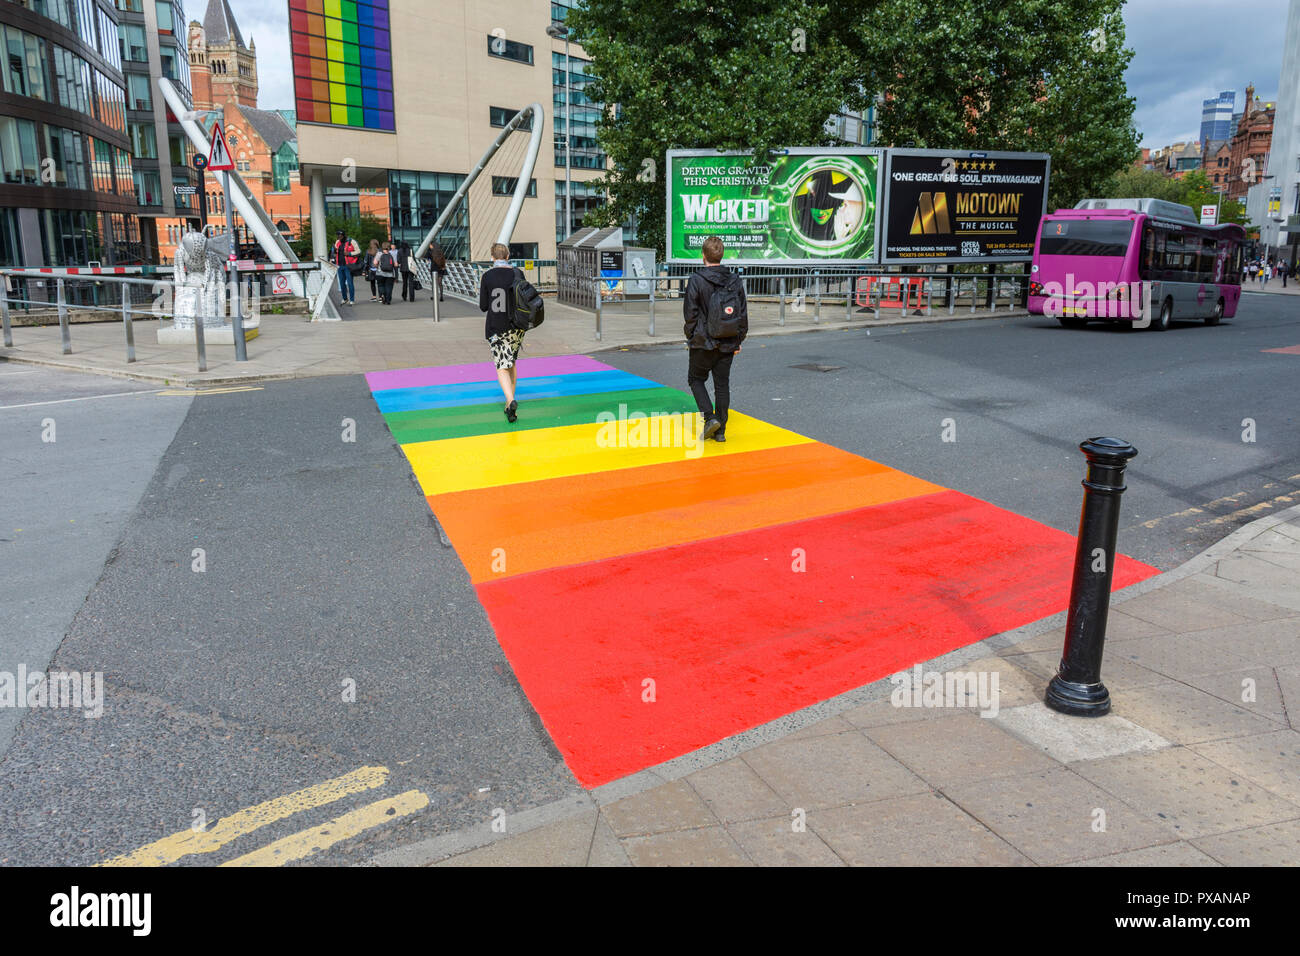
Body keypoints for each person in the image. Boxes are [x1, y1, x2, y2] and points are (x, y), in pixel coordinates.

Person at [683, 235, 747, 443]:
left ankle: (709, 418)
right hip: (728, 341)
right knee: (722, 385)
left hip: (703, 342)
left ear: (703, 256)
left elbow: (690, 314)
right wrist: (738, 340)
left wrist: (691, 337)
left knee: (695, 379)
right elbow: (742, 314)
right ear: (722, 255)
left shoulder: (696, 280)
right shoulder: (734, 280)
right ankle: (721, 431)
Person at [478, 242, 524, 422]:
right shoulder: (518, 273)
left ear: (492, 257)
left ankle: (511, 399)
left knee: (501, 365)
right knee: (511, 362)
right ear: (508, 255)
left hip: (497, 326)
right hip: (517, 326)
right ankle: (509, 405)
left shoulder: (487, 276)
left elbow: (483, 306)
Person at [332, 229, 359, 305]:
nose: (339, 237)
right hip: (339, 266)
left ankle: (352, 300)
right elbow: (335, 253)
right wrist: (334, 251)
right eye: (338, 236)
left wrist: (349, 253)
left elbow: (358, 251)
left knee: (350, 283)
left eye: (340, 236)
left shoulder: (351, 241)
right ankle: (344, 298)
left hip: (348, 266)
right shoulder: (337, 242)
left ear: (344, 235)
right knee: (341, 284)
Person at [372, 240, 397, 304]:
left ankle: (382, 294)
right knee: (389, 287)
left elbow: (374, 263)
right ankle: (388, 300)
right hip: (390, 274)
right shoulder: (391, 254)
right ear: (389, 247)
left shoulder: (379, 253)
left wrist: (377, 266)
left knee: (380, 285)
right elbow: (396, 264)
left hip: (380, 273)